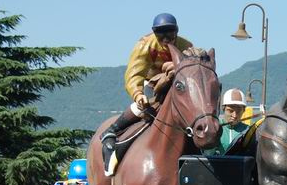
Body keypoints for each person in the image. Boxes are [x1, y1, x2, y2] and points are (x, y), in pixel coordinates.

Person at [101, 13, 193, 176]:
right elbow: (134, 74)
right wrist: (138, 94)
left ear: (176, 31)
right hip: (152, 84)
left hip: (177, 86)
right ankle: (113, 131)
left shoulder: (186, 46)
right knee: (146, 108)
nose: (165, 37)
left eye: (170, 32)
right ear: (154, 33)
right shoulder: (144, 46)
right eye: (160, 33)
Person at [204, 89, 250, 156]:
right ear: (223, 109)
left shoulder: (248, 131)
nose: (234, 115)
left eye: (238, 111)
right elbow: (207, 155)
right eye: (230, 111)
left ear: (244, 110)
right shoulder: (214, 128)